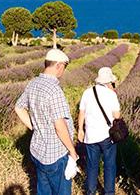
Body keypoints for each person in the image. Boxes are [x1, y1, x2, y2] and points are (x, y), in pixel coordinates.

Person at [15, 49, 78, 195]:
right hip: (56, 155)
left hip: (38, 152)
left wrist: (35, 127)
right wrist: (73, 152)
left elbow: (18, 108)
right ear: (59, 66)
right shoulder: (54, 90)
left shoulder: (33, 83)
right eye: (64, 67)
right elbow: (60, 126)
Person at [78, 67, 121, 195]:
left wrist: (80, 129)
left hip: (90, 136)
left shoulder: (87, 92)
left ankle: (90, 192)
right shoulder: (111, 94)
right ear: (109, 81)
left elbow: (82, 112)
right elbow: (117, 115)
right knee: (109, 166)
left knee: (91, 166)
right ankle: (109, 192)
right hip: (107, 136)